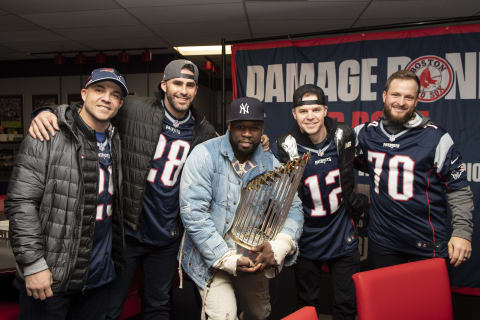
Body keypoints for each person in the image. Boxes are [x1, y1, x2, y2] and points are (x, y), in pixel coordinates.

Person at [28, 60, 217, 319]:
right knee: (110, 305)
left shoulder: (203, 130)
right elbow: (90, 111)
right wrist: (48, 112)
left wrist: (260, 142)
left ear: (196, 90)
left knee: (159, 304)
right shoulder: (134, 108)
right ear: (164, 86)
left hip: (166, 236)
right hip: (127, 232)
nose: (183, 90)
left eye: (190, 85)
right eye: (177, 83)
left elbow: (227, 149)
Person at [6, 68, 127, 319]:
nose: (106, 98)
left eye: (114, 94)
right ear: (84, 94)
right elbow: (21, 201)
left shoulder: (115, 139)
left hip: (97, 277)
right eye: (99, 90)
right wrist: (33, 265)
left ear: (120, 103)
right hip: (50, 277)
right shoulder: (47, 133)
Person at [179, 97, 304, 320]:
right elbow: (193, 214)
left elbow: (293, 208)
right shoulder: (204, 154)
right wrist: (226, 259)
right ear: (229, 127)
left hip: (251, 256)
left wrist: (280, 245)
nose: (247, 133)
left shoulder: (269, 164)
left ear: (262, 129)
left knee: (259, 313)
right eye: (240, 127)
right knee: (224, 316)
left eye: (254, 128)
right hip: (213, 257)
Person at [354, 70, 474, 269]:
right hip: (383, 242)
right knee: (386, 300)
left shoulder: (436, 138)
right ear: (384, 96)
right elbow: (340, 158)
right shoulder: (365, 133)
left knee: (429, 301)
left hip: (426, 243)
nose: (401, 102)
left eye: (408, 97)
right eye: (395, 95)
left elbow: (459, 189)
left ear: (416, 101)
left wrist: (462, 232)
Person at [274, 84, 369, 319]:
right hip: (307, 236)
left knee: (347, 302)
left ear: (325, 110)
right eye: (303, 111)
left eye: (316, 109)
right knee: (307, 304)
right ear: (294, 114)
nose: (310, 116)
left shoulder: (343, 135)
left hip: (341, 232)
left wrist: (359, 203)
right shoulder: (286, 146)